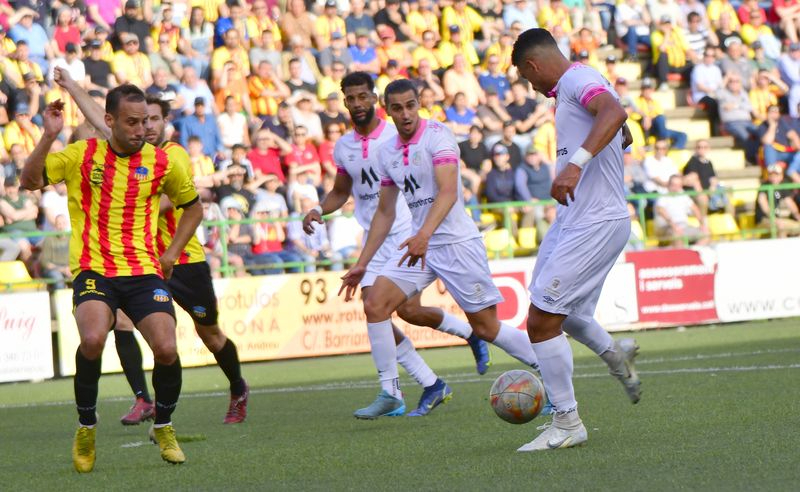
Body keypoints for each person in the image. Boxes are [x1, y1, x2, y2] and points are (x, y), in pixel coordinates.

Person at [20, 85, 203, 471]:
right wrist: (49, 135)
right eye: (132, 122)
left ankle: (164, 425)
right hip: (94, 270)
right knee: (91, 340)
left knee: (167, 348)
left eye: (145, 122)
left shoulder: (162, 162)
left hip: (143, 271)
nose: (141, 130)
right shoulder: (81, 155)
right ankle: (87, 427)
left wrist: (171, 254)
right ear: (109, 121)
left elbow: (193, 208)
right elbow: (30, 181)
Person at [56, 69, 251, 427]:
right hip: (136, 264)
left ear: (164, 124)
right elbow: (101, 118)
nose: (146, 127)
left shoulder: (171, 157)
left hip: (181, 259)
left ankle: (238, 387)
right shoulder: (125, 150)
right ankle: (144, 399)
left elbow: (173, 203)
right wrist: (72, 87)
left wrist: (124, 198)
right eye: (139, 121)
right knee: (121, 323)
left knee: (209, 334)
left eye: (153, 120)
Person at [338, 77, 542, 419]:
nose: (405, 114)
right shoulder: (386, 152)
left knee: (486, 327)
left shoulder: (438, 135)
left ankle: (549, 368)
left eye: (410, 106)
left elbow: (448, 191)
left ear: (419, 104)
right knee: (375, 305)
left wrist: (424, 234)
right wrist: (363, 262)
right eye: (397, 108)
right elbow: (384, 212)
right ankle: (391, 392)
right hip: (420, 244)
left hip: (455, 242)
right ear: (387, 110)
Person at [303, 73, 493, 418]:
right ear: (344, 102)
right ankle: (421, 384)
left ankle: (468, 338)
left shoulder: (398, 132)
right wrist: (319, 208)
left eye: (364, 96)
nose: (358, 104)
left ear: (376, 100)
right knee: (376, 307)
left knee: (406, 311)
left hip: (408, 232)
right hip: (374, 235)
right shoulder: (343, 146)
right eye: (351, 98)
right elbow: (341, 192)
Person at [511, 28, 641, 452]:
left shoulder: (575, 79)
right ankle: (615, 356)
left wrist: (575, 165)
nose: (532, 86)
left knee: (541, 320)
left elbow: (613, 110)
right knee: (557, 314)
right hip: (573, 219)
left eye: (527, 78)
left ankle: (567, 421)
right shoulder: (576, 85)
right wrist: (617, 131)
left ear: (533, 65)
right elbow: (613, 116)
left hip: (594, 221)